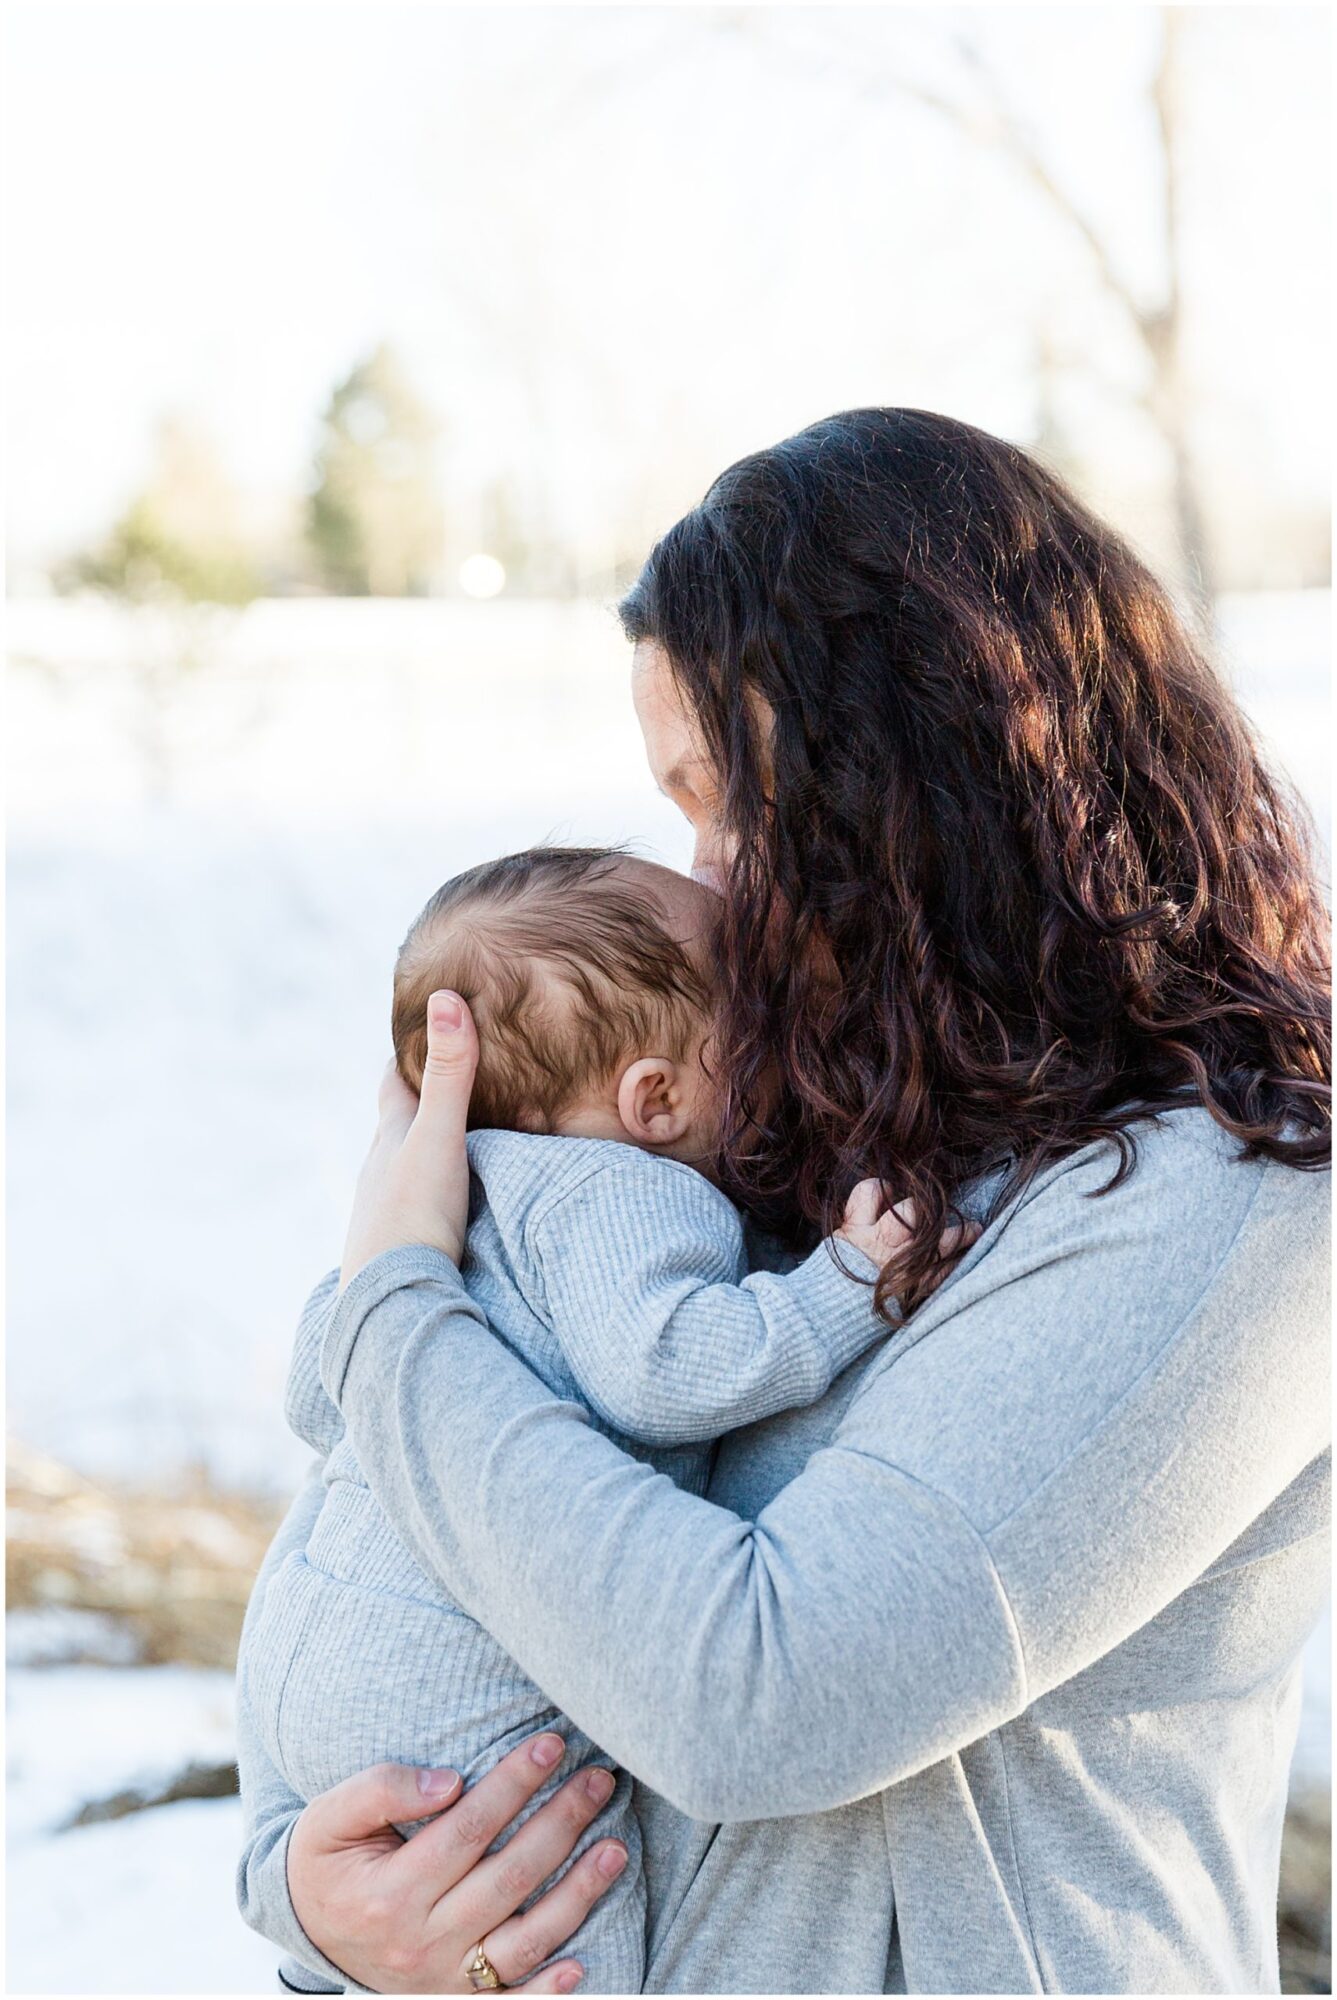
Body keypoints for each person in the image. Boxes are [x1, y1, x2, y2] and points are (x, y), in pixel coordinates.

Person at [239, 410, 1331, 1995]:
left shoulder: (1232, 1200)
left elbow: (765, 1696)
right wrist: (310, 1890)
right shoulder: (821, 1131)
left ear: (926, 780)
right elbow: (413, 1560)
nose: (705, 890)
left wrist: (396, 1305)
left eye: (732, 803)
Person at [238, 845, 932, 1993]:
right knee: (559, 1919)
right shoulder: (631, 1192)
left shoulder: (447, 1194)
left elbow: (321, 1387)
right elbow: (661, 1366)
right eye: (752, 1027)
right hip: (458, 1685)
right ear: (653, 1098)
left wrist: (388, 1269)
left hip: (304, 1664)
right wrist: (840, 1285)